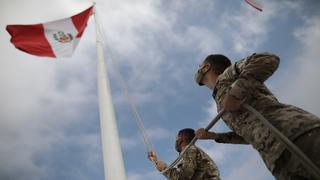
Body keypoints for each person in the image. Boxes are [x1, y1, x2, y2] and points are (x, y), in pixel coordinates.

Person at [194, 53, 320, 180]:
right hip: (276, 159)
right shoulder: (219, 102)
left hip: (295, 134)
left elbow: (267, 58)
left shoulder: (228, 74)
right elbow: (247, 136)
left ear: (206, 67)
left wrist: (235, 93)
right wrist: (215, 136)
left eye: (200, 66)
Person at [148, 128, 220, 180]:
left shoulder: (189, 150)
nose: (176, 142)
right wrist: (156, 160)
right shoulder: (192, 151)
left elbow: (183, 178)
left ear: (180, 140)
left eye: (176, 139)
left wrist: (164, 168)